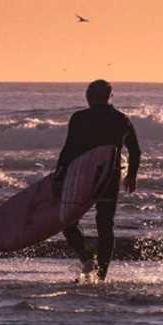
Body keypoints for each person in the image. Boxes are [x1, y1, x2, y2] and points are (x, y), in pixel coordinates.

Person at [55, 79, 141, 281]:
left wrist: (60, 174)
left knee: (67, 221)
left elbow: (69, 150)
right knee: (105, 224)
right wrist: (132, 175)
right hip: (108, 177)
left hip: (80, 176)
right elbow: (136, 151)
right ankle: (102, 274)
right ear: (110, 96)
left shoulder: (79, 118)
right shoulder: (122, 119)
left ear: (89, 96)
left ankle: (85, 257)